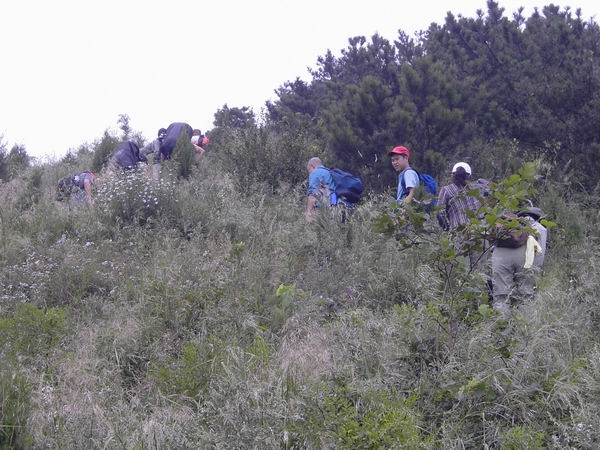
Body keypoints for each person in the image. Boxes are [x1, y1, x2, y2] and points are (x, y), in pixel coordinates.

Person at [491, 206, 548, 316]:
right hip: (526, 256)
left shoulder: (505, 224)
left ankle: (500, 323)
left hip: (500, 254)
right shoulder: (539, 228)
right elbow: (539, 258)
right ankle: (524, 323)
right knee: (525, 295)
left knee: (501, 297)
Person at [436, 162, 480, 231]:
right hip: (479, 230)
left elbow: (440, 213)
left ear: (453, 175)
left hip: (459, 232)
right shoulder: (477, 187)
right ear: (469, 176)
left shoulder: (446, 190)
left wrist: (447, 229)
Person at [305, 157, 337, 222]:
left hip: (324, 209)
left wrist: (309, 212)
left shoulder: (315, 173)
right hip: (336, 206)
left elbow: (313, 194)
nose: (309, 173)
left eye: (309, 170)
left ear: (311, 166)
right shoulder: (329, 172)